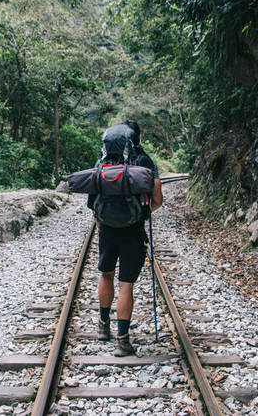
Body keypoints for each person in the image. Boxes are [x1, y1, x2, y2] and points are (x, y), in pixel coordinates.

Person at [88, 120, 163, 356]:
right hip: (133, 230)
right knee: (126, 284)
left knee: (106, 275)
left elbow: (93, 202)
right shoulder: (143, 160)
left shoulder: (102, 161)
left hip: (107, 229)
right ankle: (122, 341)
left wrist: (102, 223)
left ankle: (102, 327)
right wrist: (141, 213)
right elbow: (157, 199)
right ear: (135, 138)